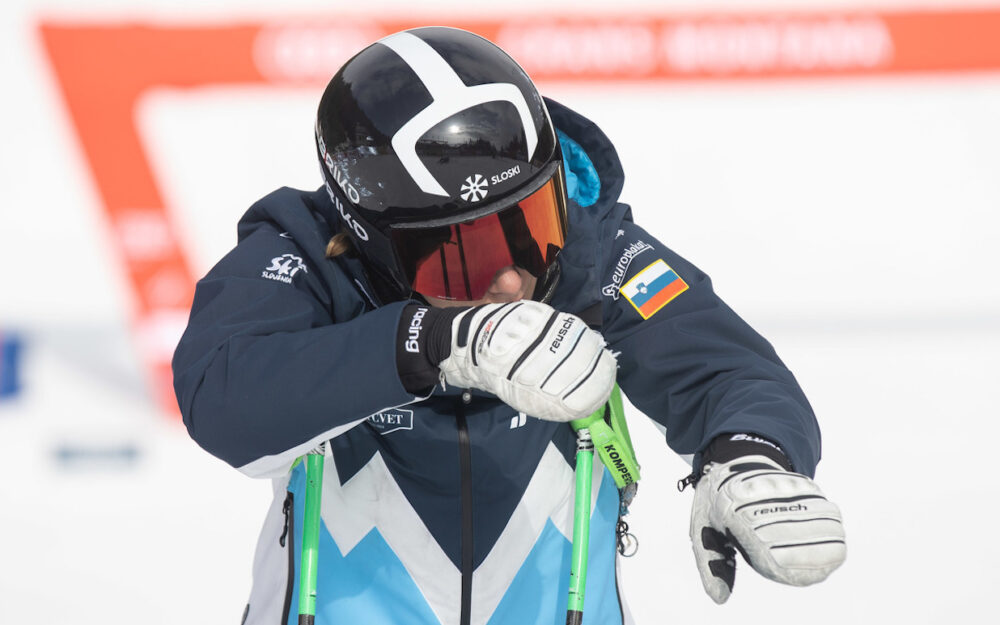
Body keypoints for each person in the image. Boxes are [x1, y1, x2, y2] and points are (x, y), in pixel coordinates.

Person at [172, 26, 845, 625]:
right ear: (372, 241)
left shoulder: (590, 256)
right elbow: (222, 394)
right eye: (463, 254)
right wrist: (435, 342)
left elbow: (724, 365)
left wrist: (752, 449)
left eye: (530, 229)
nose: (513, 281)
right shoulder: (309, 258)